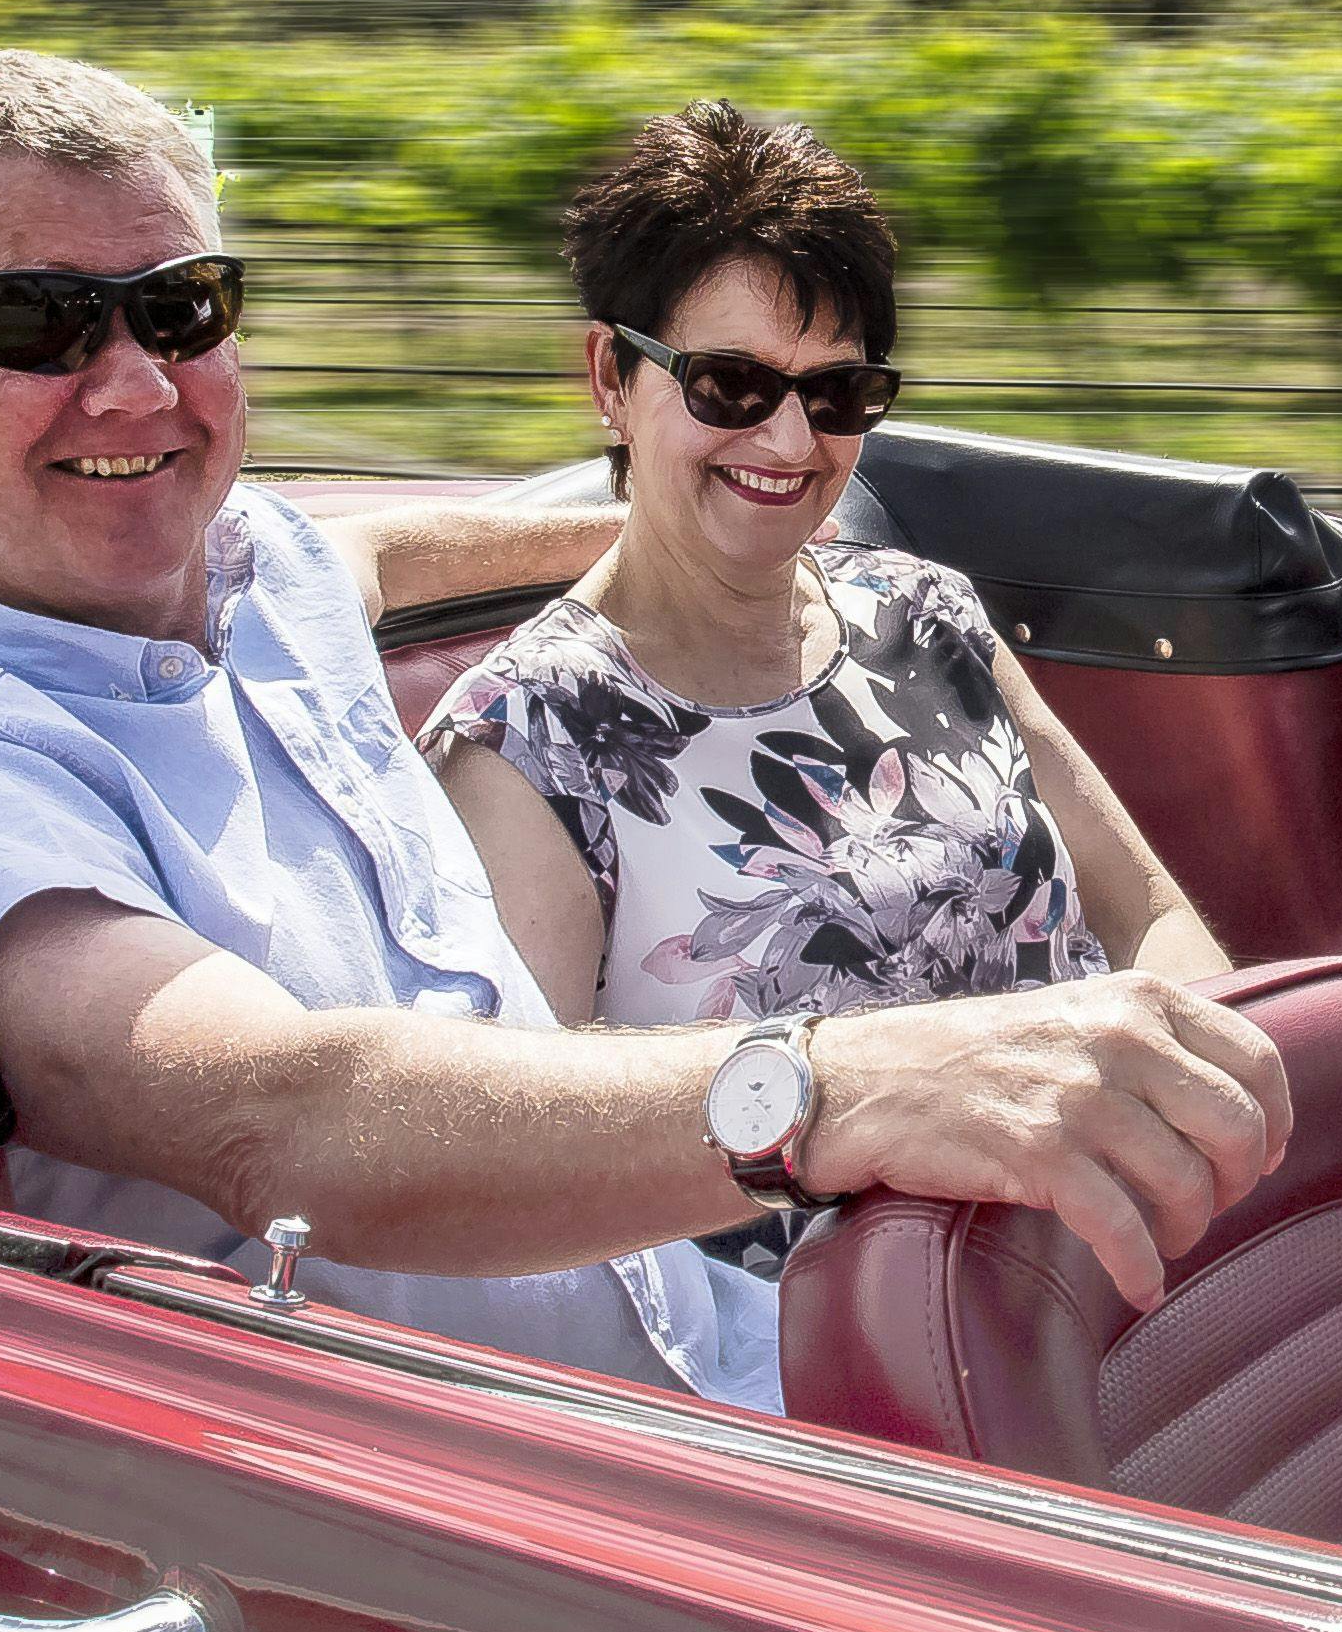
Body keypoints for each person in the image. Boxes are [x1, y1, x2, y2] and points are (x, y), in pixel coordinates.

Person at [0, 52, 1287, 1414]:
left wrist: (707, 514)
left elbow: (394, 550)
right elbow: (278, 1121)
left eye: (180, 306)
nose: (135, 383)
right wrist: (835, 1085)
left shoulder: (242, 560)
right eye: (33, 323)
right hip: (486, 1496)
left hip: (736, 1354)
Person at [419, 106, 1228, 1116]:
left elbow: (1145, 914)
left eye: (838, 393)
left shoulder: (925, 617)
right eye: (730, 385)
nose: (793, 443)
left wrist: (1220, 1088)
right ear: (610, 379)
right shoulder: (524, 751)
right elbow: (530, 1148)